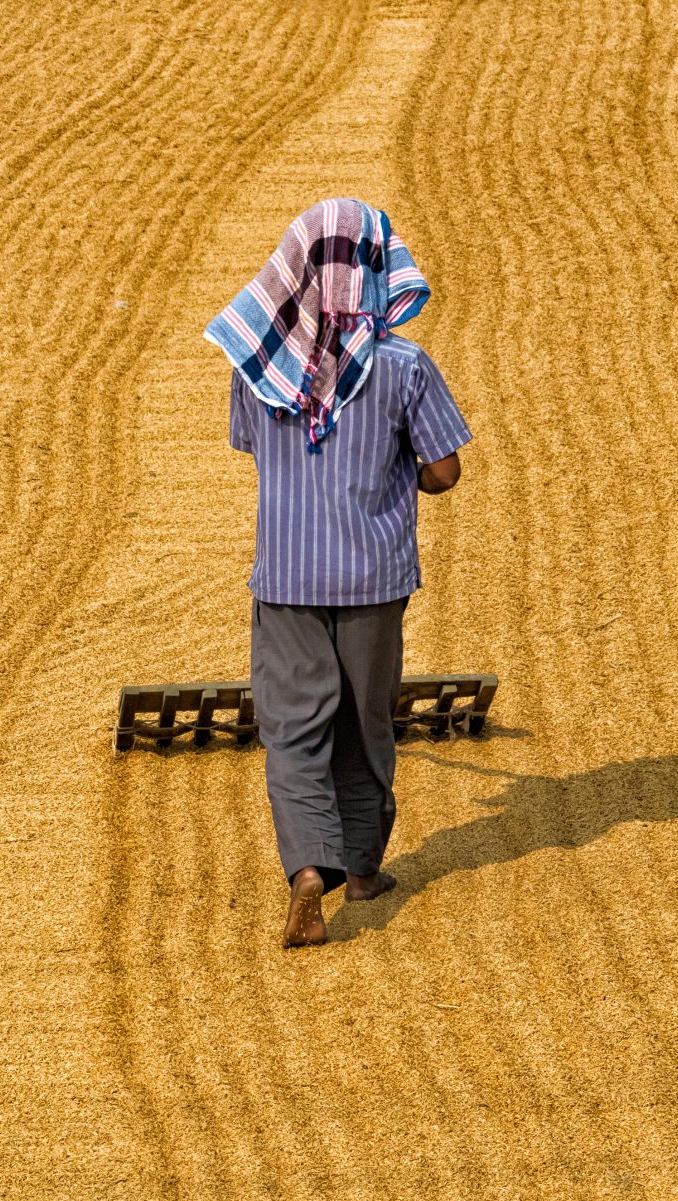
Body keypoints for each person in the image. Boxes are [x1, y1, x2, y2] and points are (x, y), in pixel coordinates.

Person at [206, 197, 471, 948]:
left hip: (286, 577)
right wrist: (393, 469)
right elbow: (444, 472)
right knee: (364, 722)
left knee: (293, 733)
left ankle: (307, 874)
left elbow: (253, 447)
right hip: (373, 581)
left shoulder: (258, 368)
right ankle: (361, 868)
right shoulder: (404, 367)